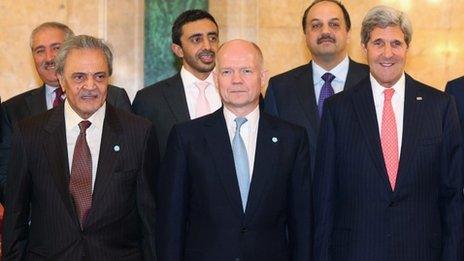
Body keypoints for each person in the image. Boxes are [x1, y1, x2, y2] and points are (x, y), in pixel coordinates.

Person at [313, 5, 464, 261]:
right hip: (356, 251)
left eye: (396, 43)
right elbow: (326, 199)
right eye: (378, 43)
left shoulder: (439, 106)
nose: (387, 53)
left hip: (422, 253)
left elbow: (452, 198)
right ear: (364, 47)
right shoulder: (338, 109)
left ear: (407, 48)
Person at [2, 35, 159, 260]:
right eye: (79, 77)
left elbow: (149, 219)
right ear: (61, 79)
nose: (90, 86)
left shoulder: (139, 132)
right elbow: (15, 218)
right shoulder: (29, 133)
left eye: (99, 76)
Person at [156, 39, 312, 261]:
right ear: (216, 79)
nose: (236, 80)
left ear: (263, 77)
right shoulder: (187, 138)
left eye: (246, 71)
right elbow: (171, 222)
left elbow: (302, 223)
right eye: (227, 71)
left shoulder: (292, 139)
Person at [0, 22, 131, 202]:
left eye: (57, 48)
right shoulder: (12, 110)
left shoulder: (114, 96)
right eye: (40, 51)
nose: (50, 58)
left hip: (106, 220)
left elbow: (130, 165)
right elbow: (7, 178)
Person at [264, 0, 369, 170]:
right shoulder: (280, 89)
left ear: (348, 33)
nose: (325, 31)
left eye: (334, 24)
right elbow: (271, 157)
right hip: (303, 195)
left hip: (361, 195)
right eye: (316, 25)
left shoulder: (373, 81)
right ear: (305, 35)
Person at [132, 9, 222, 158]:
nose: (207, 46)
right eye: (196, 39)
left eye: (212, 38)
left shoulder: (238, 91)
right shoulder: (149, 100)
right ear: (178, 50)